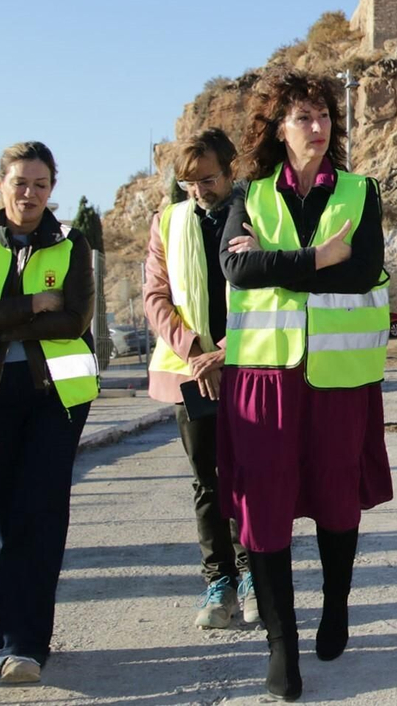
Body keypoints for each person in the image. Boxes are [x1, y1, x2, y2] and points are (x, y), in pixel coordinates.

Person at [218, 69, 392, 702]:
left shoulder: (360, 190)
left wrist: (280, 265)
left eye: (322, 115)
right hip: (264, 374)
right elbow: (237, 267)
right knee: (264, 504)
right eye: (301, 116)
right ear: (278, 129)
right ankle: (280, 645)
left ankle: (337, 601)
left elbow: (366, 268)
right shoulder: (249, 193)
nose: (315, 126)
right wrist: (319, 260)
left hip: (338, 376)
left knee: (335, 496)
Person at [0, 141, 101, 686]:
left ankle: (26, 647)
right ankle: (8, 640)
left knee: (40, 512)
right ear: (0, 184)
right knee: (0, 522)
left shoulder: (73, 244)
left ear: (51, 189)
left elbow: (75, 319)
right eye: (20, 182)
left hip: (55, 398)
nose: (29, 193)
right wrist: (34, 305)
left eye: (40, 184)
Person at [143, 127, 254, 629]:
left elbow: (273, 289)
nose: (199, 191)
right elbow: (155, 298)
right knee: (206, 482)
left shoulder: (258, 214)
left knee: (250, 476)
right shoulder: (167, 221)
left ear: (231, 171)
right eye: (189, 183)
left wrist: (230, 351)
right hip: (191, 374)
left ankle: (253, 573)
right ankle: (219, 581)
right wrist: (195, 354)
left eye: (208, 180)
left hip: (249, 366)